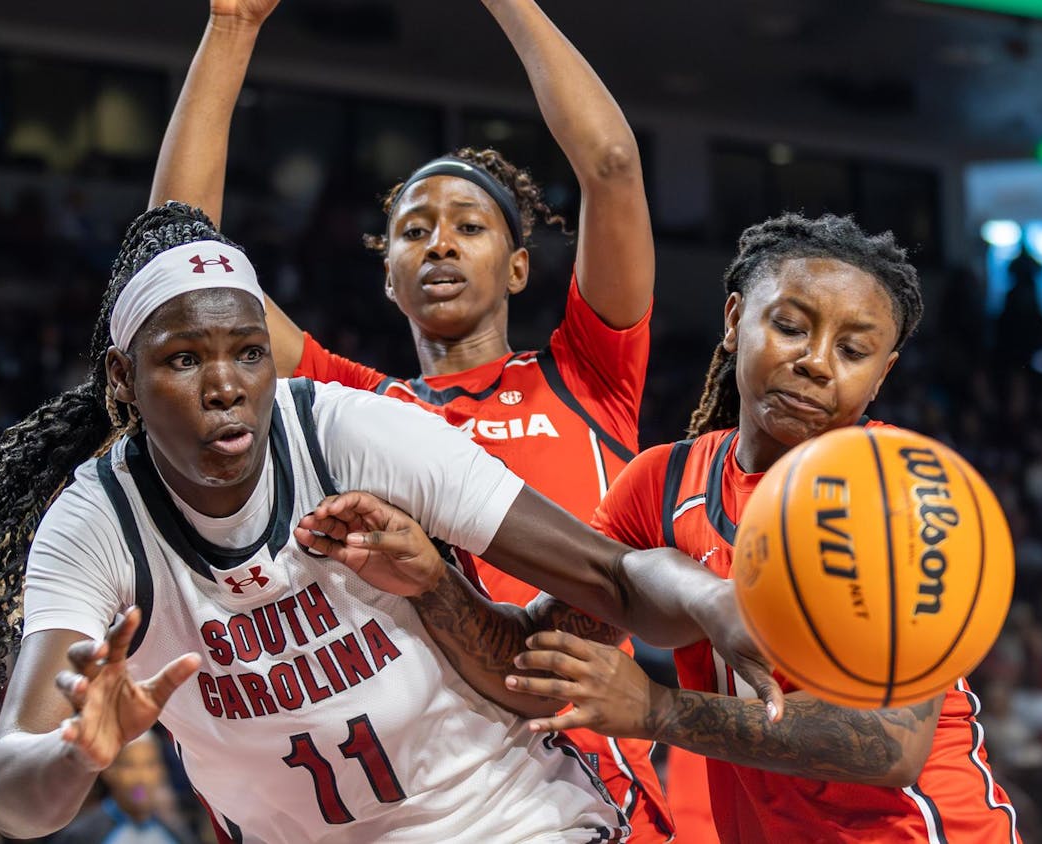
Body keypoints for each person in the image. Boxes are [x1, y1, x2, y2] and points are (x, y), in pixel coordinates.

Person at [0, 204, 769, 842]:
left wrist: (713, 602)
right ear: (125, 379)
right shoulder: (93, 523)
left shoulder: (349, 432)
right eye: (185, 359)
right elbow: (13, 795)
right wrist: (73, 754)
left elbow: (613, 576)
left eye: (248, 351)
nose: (226, 384)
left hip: (508, 818)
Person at [147, 0, 669, 832]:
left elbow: (610, 164)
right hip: (436, 785)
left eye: (470, 226)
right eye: (414, 231)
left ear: (521, 266)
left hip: (589, 776)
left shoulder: (588, 374)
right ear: (388, 277)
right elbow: (179, 262)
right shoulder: (357, 411)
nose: (441, 244)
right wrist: (233, 24)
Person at [478, 214, 1019, 841]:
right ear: (735, 321)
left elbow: (887, 743)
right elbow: (532, 650)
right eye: (790, 327)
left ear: (882, 376)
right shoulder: (661, 484)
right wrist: (430, 572)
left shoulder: (896, 482)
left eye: (853, 351)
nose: (817, 362)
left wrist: (659, 710)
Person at [49, 732, 196, 844]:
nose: (141, 778)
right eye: (129, 766)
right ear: (108, 770)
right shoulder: (81, 835)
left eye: (150, 765)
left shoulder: (178, 833)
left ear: (161, 770)